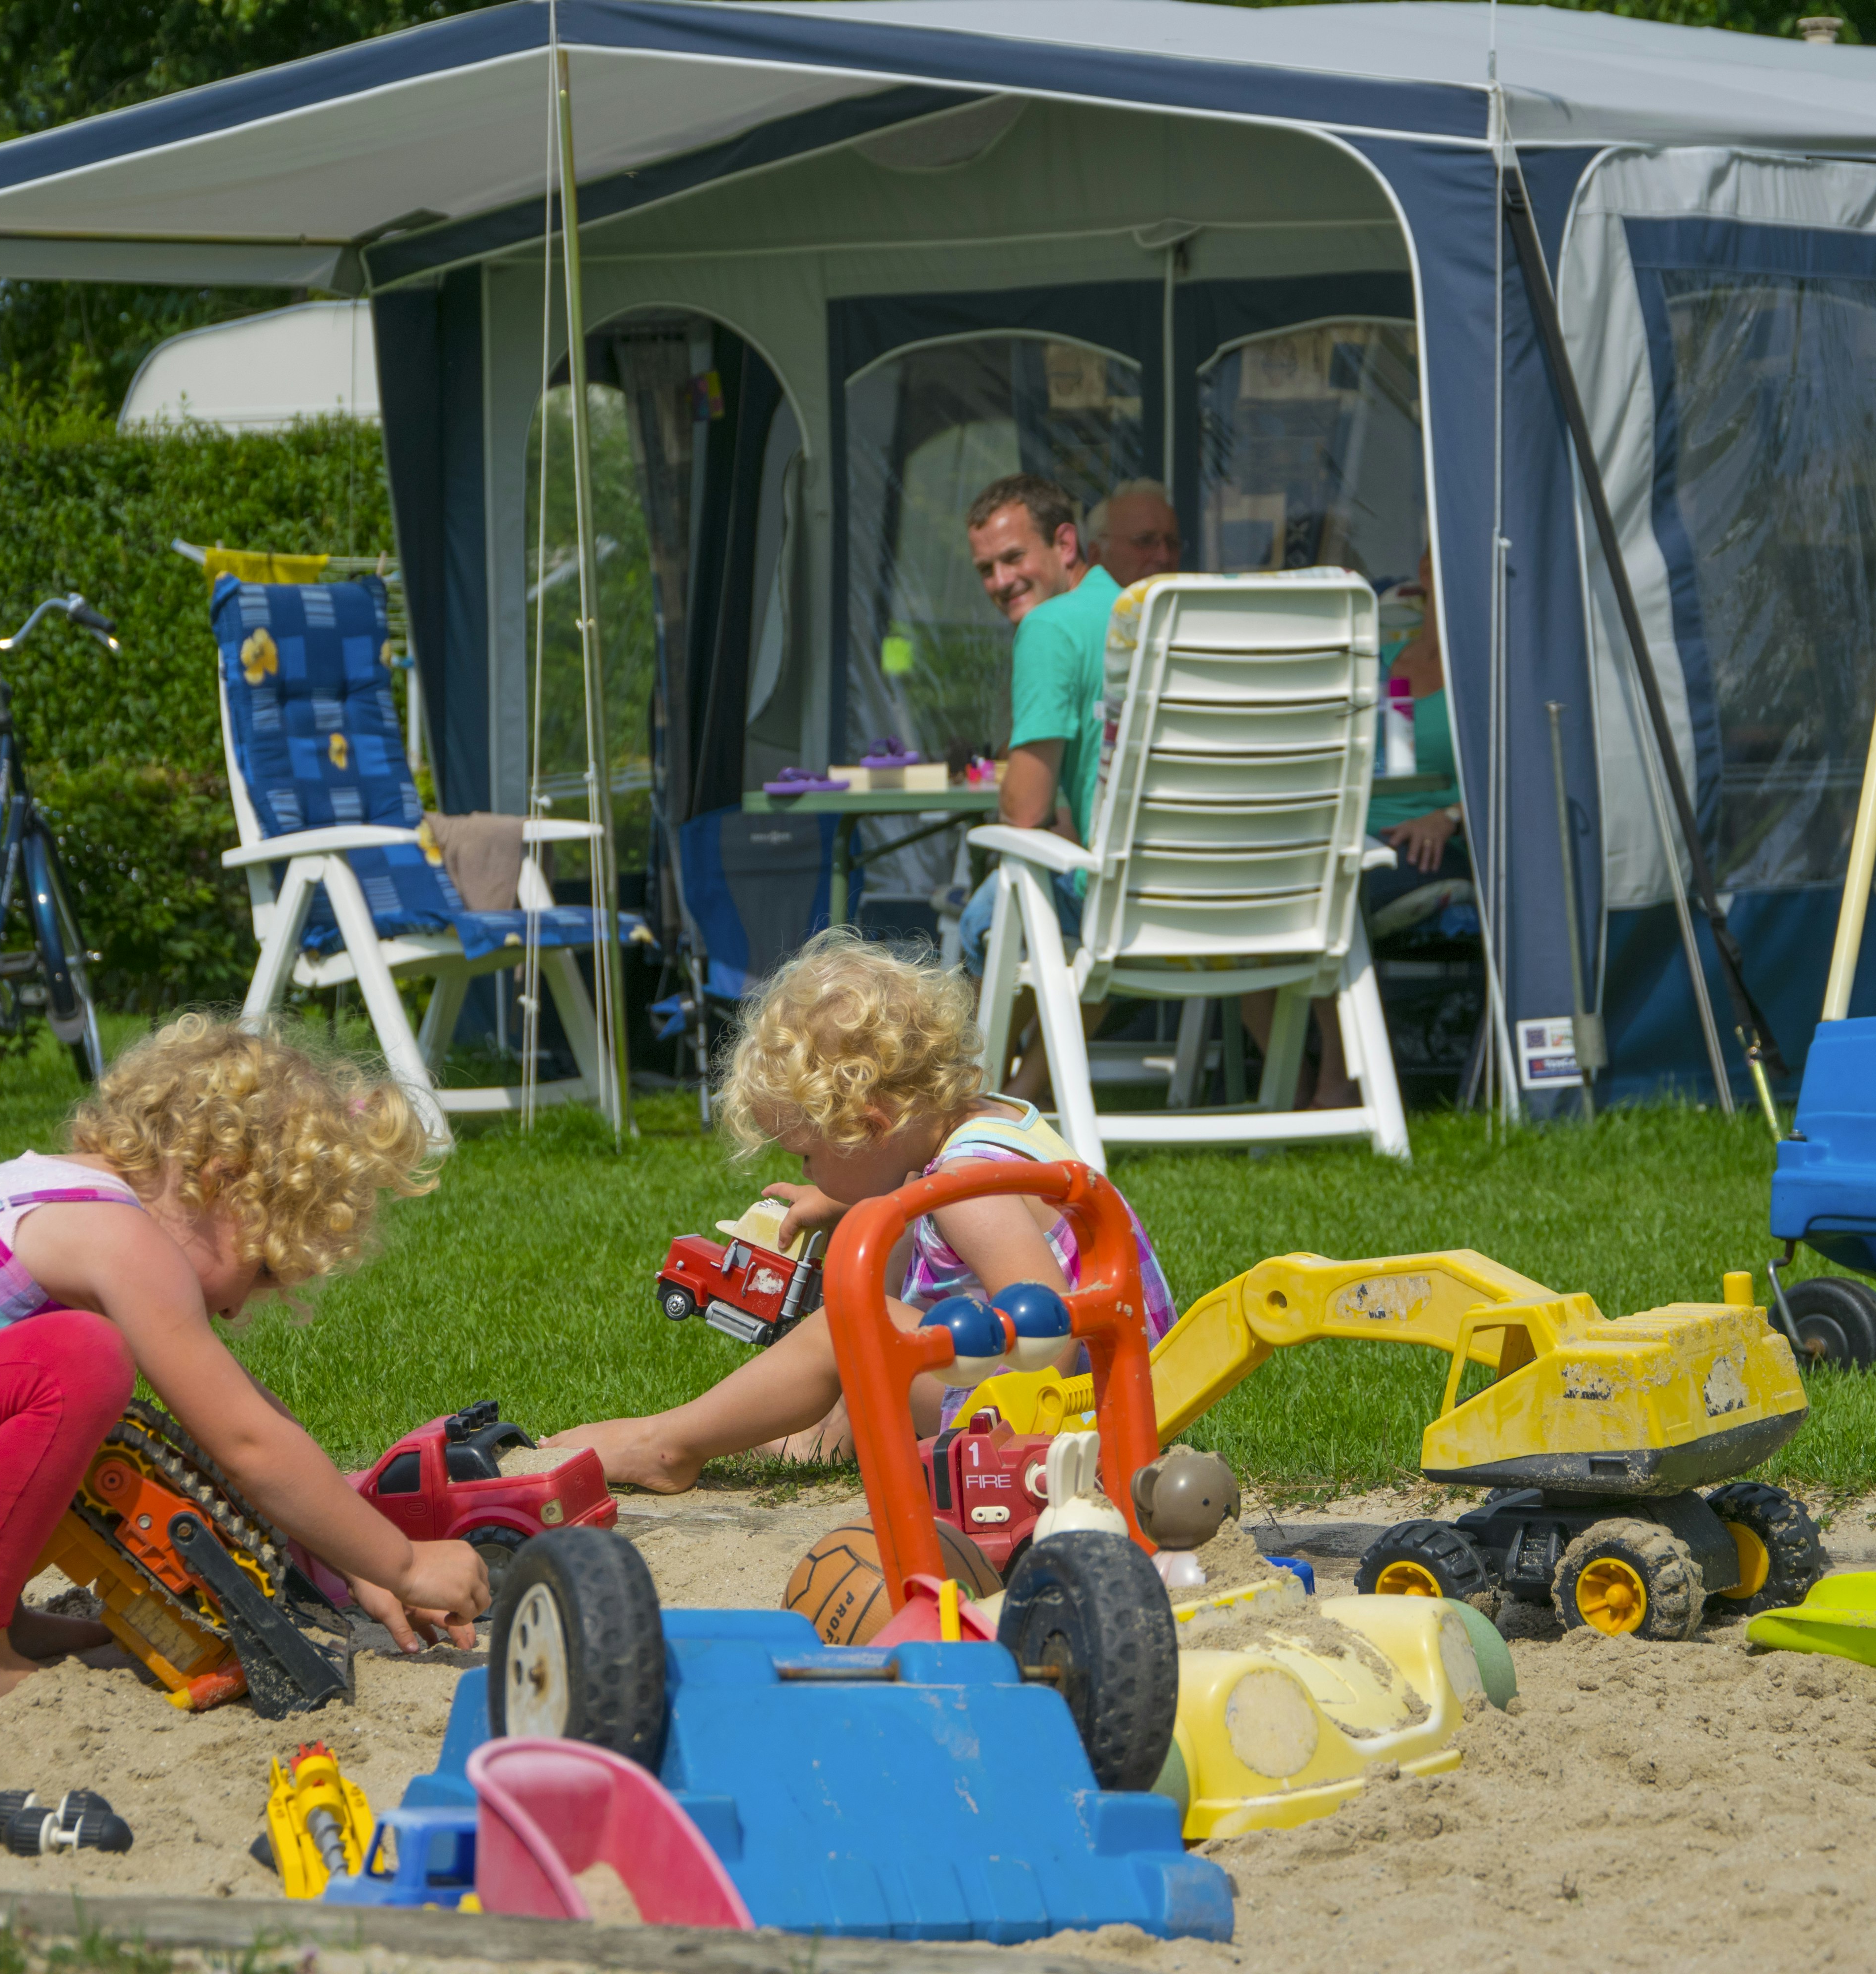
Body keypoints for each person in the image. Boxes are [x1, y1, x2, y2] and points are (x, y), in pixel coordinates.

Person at [0, 1014, 484, 1711]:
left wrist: (354, 1552)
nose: (243, 1308)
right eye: (264, 1270)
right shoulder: (119, 1241)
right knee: (82, 1361)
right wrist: (405, 1561)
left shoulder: (52, 1197)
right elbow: (246, 1443)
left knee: (72, 1400)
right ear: (223, 1183)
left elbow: (245, 1410)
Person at [550, 931, 1176, 1491]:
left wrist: (1006, 1455)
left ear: (866, 1126)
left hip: (1073, 1408)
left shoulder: (969, 1187)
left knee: (847, 1322)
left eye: (807, 1155)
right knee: (884, 1240)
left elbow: (1046, 1328)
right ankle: (832, 1431)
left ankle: (666, 1445)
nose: (804, 1172)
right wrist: (840, 1198)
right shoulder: (988, 1123)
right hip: (1112, 1383)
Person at [1242, 553, 1466, 1108]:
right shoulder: (1380, 667)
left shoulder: (1483, 671)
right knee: (1248, 908)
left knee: (1328, 897)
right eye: (1446, 562)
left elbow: (1518, 773)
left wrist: (1452, 816)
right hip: (1354, 841)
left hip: (1438, 846)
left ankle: (1335, 1083)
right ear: (1425, 572)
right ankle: (1292, 1093)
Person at [952, 473, 1124, 1095]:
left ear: (1066, 544)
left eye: (1014, 558)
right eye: (986, 569)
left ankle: (961, 1100)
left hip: (1115, 894)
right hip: (1210, 886)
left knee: (986, 915)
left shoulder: (1050, 628)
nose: (1000, 583)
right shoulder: (1135, 613)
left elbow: (1025, 809)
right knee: (1053, 913)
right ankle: (1020, 1093)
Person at [1088, 478, 1183, 588]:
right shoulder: (1071, 605)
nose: (1164, 557)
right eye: (1145, 541)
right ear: (1097, 556)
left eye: (1172, 543)